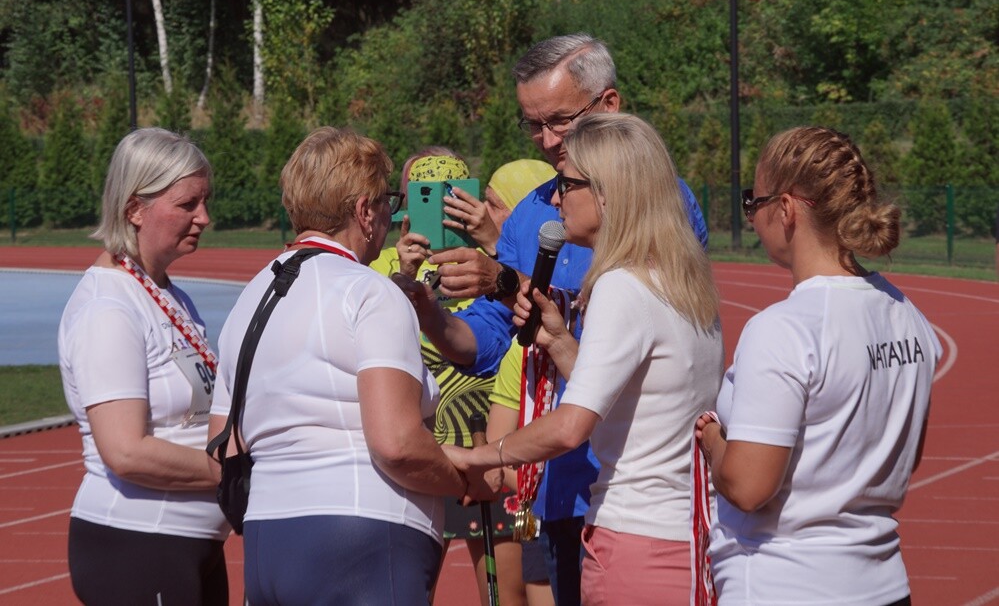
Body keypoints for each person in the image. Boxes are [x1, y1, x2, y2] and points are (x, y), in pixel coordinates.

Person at [395, 33, 709, 605]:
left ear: (608, 105)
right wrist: (432, 313)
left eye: (558, 122)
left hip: (638, 486)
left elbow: (634, 327)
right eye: (532, 125)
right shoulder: (535, 210)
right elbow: (493, 339)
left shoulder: (658, 204)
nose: (544, 141)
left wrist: (505, 280)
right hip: (560, 481)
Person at [207, 127, 495, 605]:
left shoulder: (251, 298)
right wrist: (461, 479)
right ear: (364, 210)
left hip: (266, 541)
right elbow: (397, 443)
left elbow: (223, 445)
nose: (393, 214)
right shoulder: (369, 290)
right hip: (362, 537)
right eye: (389, 201)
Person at [446, 112, 724, 605]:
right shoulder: (681, 280)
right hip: (686, 534)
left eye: (568, 184)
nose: (554, 198)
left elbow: (571, 425)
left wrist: (480, 456)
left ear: (608, 193)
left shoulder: (621, 285)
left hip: (632, 539)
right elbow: (637, 398)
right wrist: (558, 343)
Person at [695, 126, 941, 605]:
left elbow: (747, 487)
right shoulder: (910, 317)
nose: (751, 217)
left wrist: (712, 440)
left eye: (754, 203)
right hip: (884, 585)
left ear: (785, 209)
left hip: (784, 584)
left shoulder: (785, 329)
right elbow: (900, 458)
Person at [58, 127, 230, 604]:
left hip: (187, 546)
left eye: (205, 201)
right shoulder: (108, 309)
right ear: (134, 209)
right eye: (187, 204)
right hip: (138, 545)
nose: (204, 217)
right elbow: (126, 451)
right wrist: (233, 474)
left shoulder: (167, 294)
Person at [380, 156, 557, 606]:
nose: (435, 209)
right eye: (418, 195)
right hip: (426, 455)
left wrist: (496, 250)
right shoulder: (383, 265)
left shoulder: (493, 261)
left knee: (514, 587)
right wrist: (404, 274)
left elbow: (510, 326)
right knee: (406, 588)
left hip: (500, 457)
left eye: (451, 192)